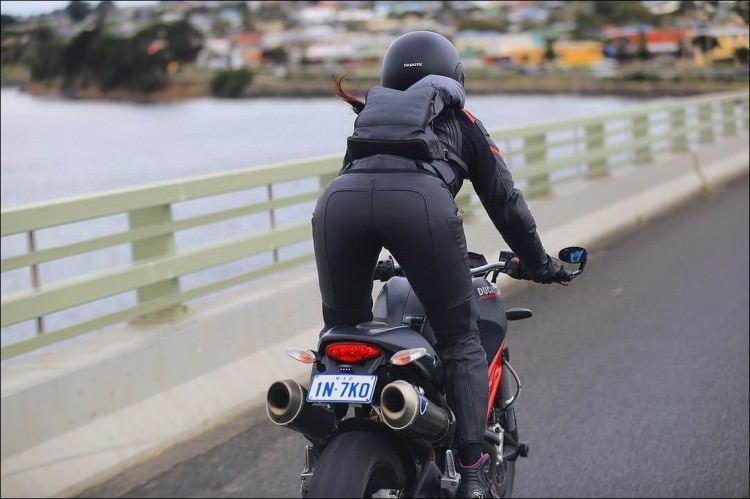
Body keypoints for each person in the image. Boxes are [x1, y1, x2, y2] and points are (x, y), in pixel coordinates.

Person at [311, 30, 570, 498]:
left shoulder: (371, 119)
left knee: (343, 335)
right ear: (453, 77)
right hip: (418, 206)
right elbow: (505, 204)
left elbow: (367, 186)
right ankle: (471, 475)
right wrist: (541, 264)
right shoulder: (460, 120)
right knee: (459, 339)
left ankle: (324, 445)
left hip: (338, 204)